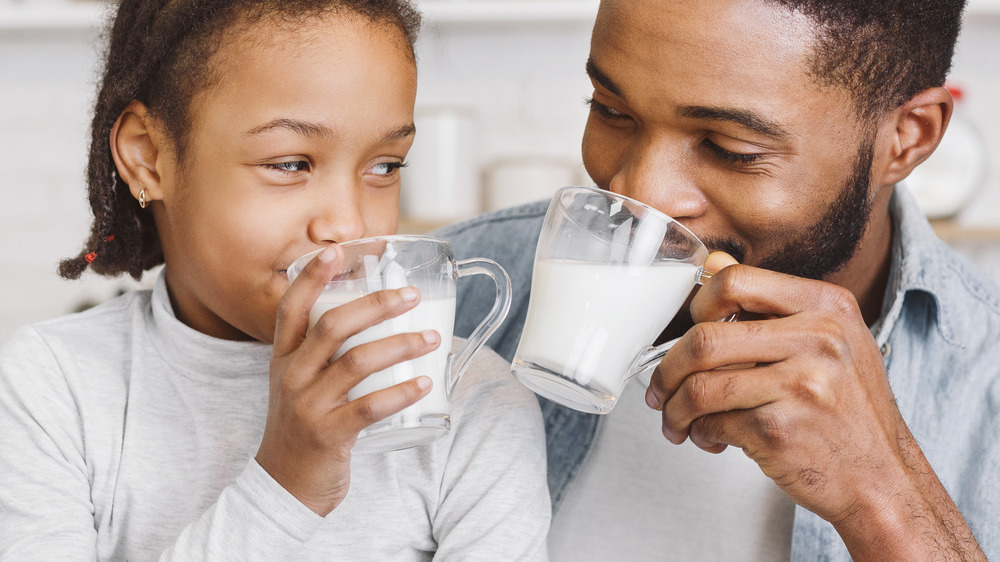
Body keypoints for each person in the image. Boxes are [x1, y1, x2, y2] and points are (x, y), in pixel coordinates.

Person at [438, 0, 997, 559]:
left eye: (731, 149)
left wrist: (886, 502)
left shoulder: (985, 380)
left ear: (908, 136)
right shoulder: (453, 292)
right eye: (609, 110)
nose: (639, 192)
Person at [0, 1, 550, 560]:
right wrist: (284, 486)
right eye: (291, 163)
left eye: (385, 166)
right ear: (148, 156)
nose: (348, 223)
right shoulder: (51, 387)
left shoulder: (471, 401)